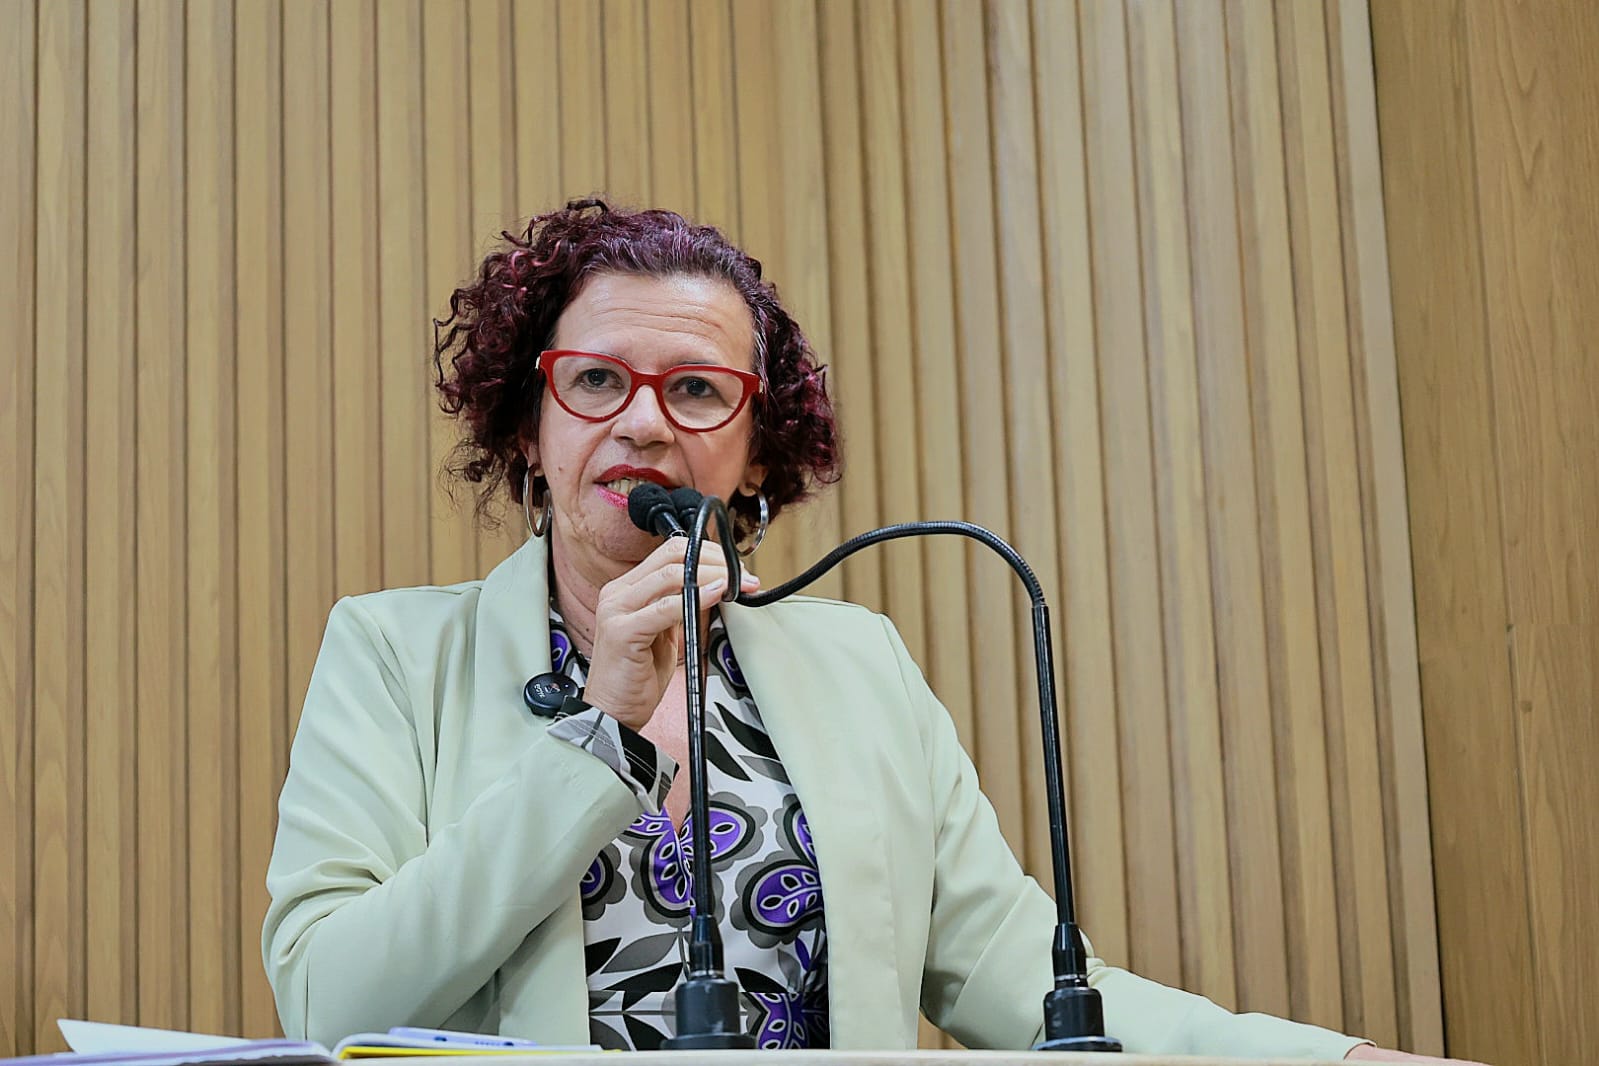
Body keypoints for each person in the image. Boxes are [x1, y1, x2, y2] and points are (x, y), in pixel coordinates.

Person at [262, 199, 1472, 1063]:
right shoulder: (392, 655)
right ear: (530, 426)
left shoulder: (858, 667)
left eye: (697, 390)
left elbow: (1026, 984)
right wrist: (602, 730)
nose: (643, 423)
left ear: (756, 452)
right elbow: (328, 997)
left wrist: (1331, 1060)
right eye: (595, 380)